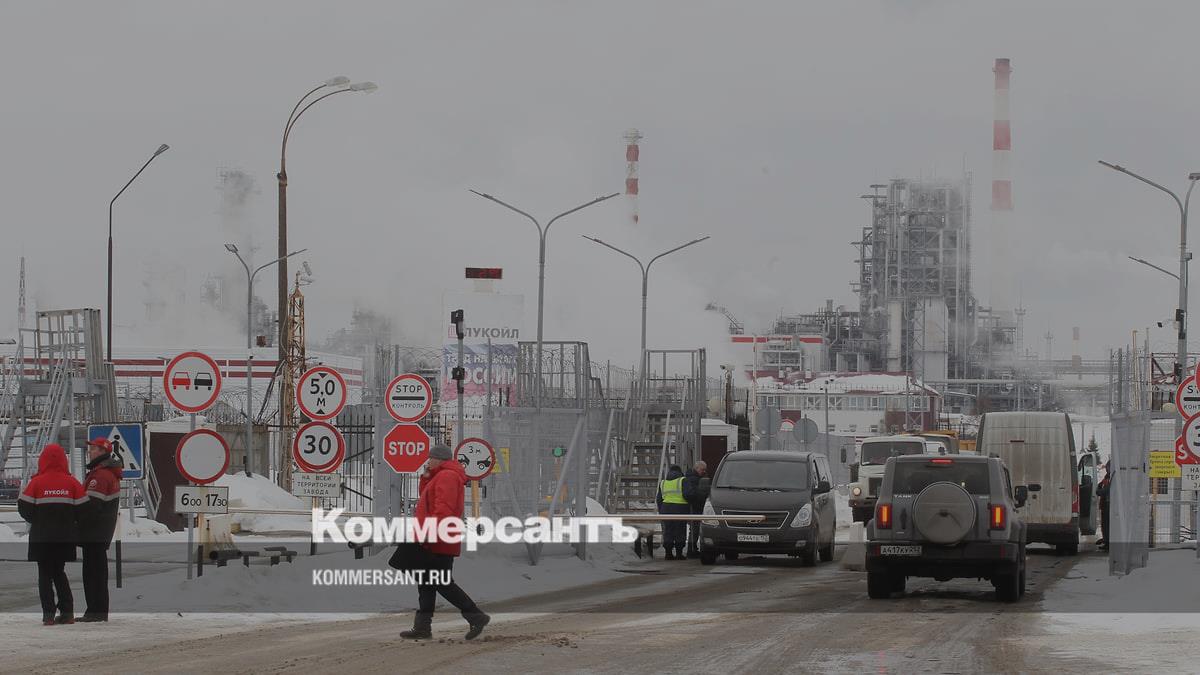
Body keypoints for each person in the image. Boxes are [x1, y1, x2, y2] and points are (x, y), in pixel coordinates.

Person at [400, 444, 490, 641]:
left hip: (438, 539)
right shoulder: (440, 476)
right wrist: (426, 477)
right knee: (426, 583)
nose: (428, 461)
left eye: (431, 458)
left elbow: (444, 509)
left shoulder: (447, 476)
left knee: (441, 582)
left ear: (439, 459)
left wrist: (431, 533)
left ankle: (476, 616)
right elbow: (428, 499)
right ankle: (422, 627)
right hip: (433, 538)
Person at [17, 444, 85, 626]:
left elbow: (24, 509)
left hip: (42, 538)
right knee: (59, 572)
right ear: (64, 460)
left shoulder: (36, 483)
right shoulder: (72, 483)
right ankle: (67, 612)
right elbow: (84, 509)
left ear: (43, 460)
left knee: (45, 574)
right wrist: (70, 522)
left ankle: (48, 614)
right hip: (65, 538)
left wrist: (38, 520)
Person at [77, 438, 123, 622]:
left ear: (103, 452)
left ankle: (95, 612)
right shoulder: (107, 473)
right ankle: (98, 611)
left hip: (94, 533)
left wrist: (74, 519)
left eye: (94, 449)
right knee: (97, 573)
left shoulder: (100, 476)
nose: (90, 452)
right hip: (100, 532)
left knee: (92, 574)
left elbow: (90, 506)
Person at [657, 464, 690, 560]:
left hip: (666, 509)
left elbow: (659, 499)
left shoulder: (663, 482)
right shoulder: (683, 480)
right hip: (680, 509)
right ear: (680, 472)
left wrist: (661, 511)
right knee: (680, 531)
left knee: (668, 531)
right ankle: (679, 553)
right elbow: (688, 495)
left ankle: (668, 553)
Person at [682, 461, 710, 558]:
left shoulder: (692, 478)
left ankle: (693, 549)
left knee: (695, 529)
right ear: (697, 468)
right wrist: (703, 495)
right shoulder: (693, 480)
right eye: (702, 469)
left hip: (694, 507)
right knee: (694, 529)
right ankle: (691, 550)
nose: (704, 471)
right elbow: (691, 494)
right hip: (694, 508)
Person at [1096, 461, 1112, 551]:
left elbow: (1105, 491)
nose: (1107, 469)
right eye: (1107, 467)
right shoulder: (1107, 477)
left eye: (1108, 467)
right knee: (1104, 525)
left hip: (1109, 505)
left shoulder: (1112, 478)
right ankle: (1106, 540)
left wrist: (1100, 490)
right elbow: (1099, 487)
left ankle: (1108, 542)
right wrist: (1099, 489)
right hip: (1105, 505)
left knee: (1107, 525)